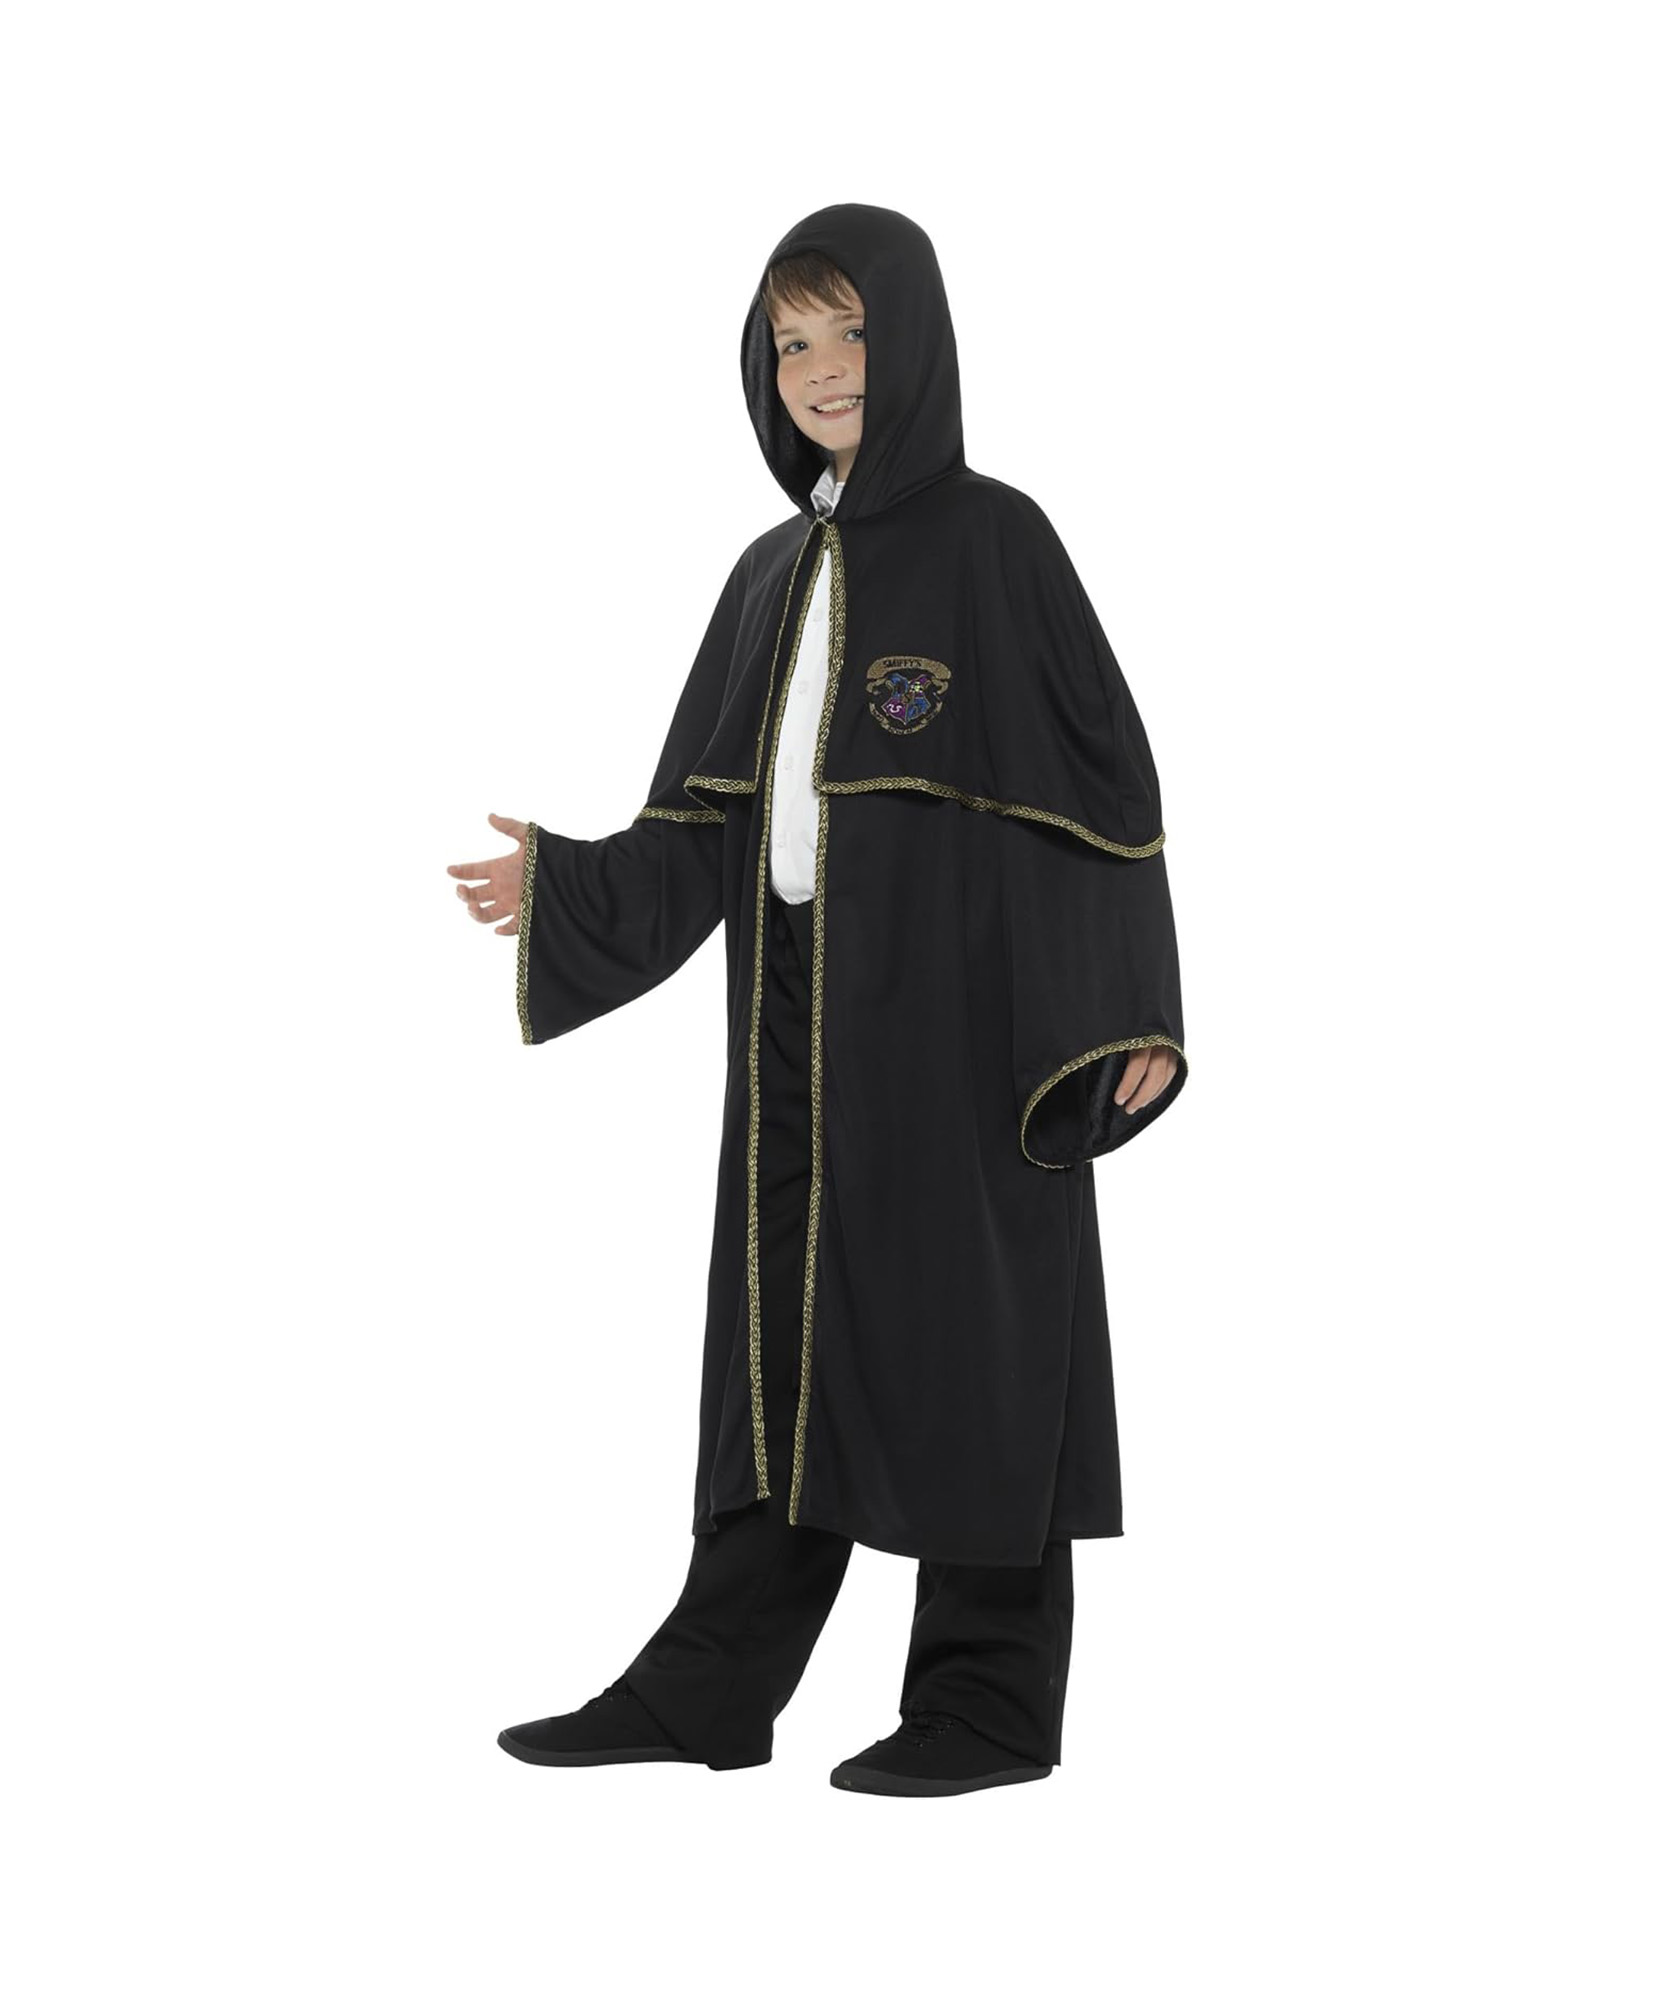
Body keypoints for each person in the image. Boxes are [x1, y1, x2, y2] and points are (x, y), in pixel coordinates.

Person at [447, 203, 1187, 1796]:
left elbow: (1104, 792)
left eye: (851, 330)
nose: (824, 367)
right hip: (797, 1034)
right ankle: (711, 1688)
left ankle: (985, 1705)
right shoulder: (767, 575)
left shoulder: (1000, 543)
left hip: (968, 1031)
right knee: (781, 1348)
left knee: (977, 1339)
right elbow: (701, 827)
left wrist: (1127, 1006)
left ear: (914, 341)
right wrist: (564, 885)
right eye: (792, 340)